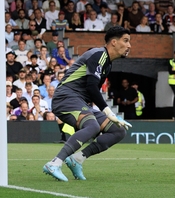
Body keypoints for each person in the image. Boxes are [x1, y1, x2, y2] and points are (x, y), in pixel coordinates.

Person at [42, 26, 133, 182]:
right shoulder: (99, 55)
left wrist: (101, 117)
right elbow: (91, 87)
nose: (129, 46)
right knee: (93, 126)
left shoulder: (107, 64)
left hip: (79, 101)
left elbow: (91, 92)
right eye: (126, 41)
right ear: (113, 42)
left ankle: (77, 159)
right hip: (66, 96)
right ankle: (54, 163)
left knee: (118, 130)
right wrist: (108, 112)